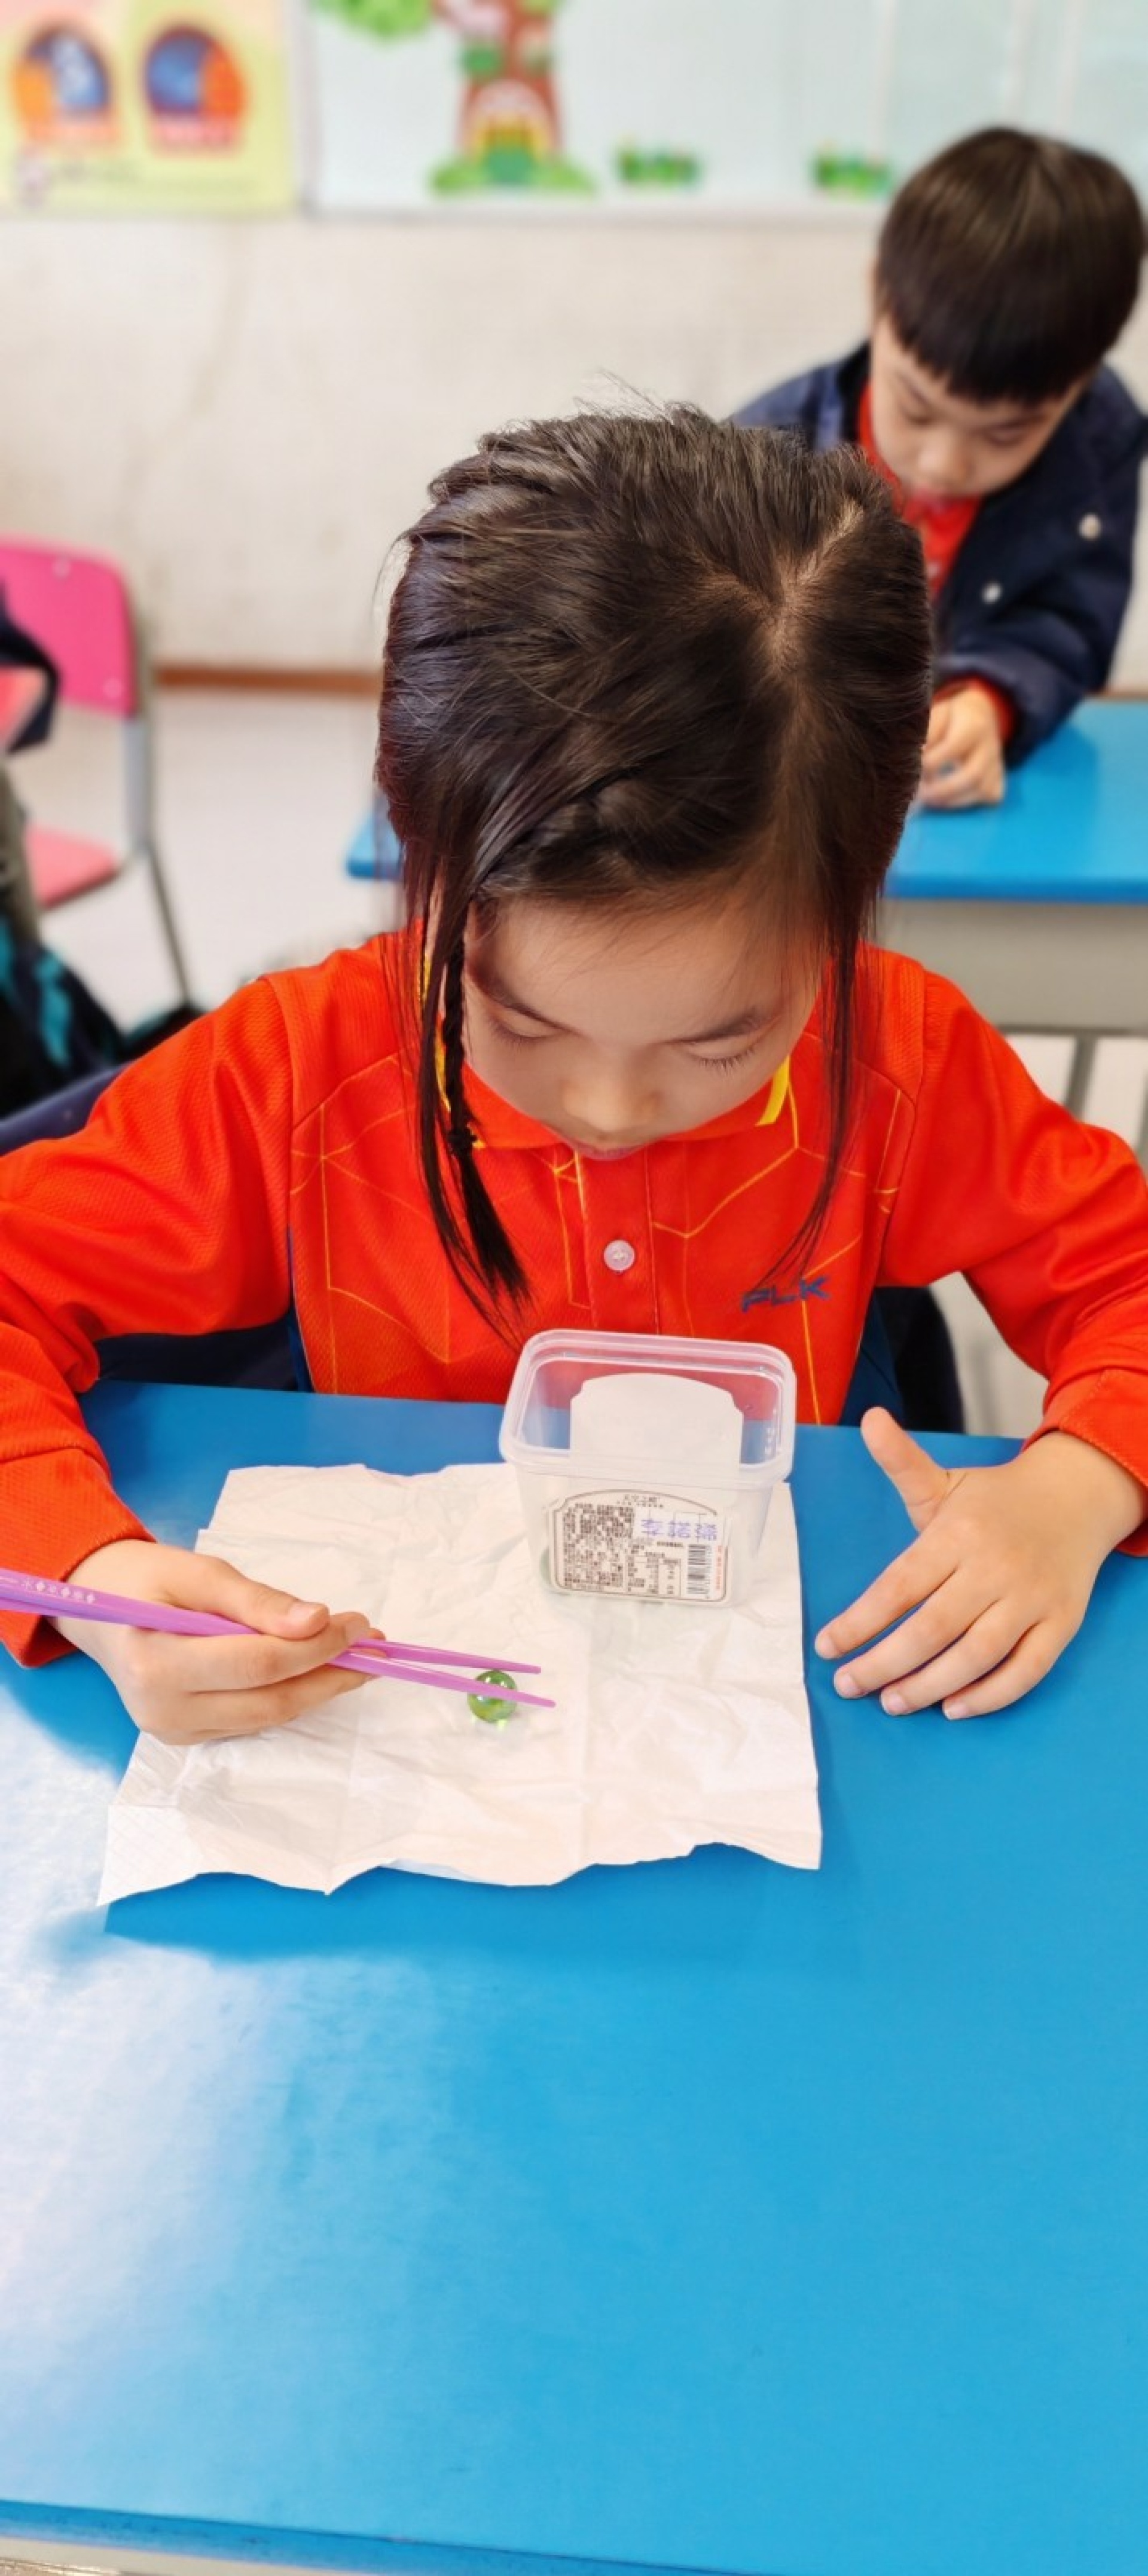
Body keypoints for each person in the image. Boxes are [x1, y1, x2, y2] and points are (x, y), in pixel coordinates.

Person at [0, 411, 1145, 1747]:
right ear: (417, 852)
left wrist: (1081, 1482)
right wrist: (93, 1578)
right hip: (402, 1716)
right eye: (515, 1020)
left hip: (768, 1694)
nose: (608, 1109)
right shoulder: (297, 1073)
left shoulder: (898, 1061)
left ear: (854, 901)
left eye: (717, 1043)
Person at [737, 127, 1148, 810]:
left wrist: (992, 701)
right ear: (878, 297)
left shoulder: (1100, 444)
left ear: (1081, 383)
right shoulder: (762, 452)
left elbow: (1072, 622)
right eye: (916, 409)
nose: (944, 464)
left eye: (1007, 433)